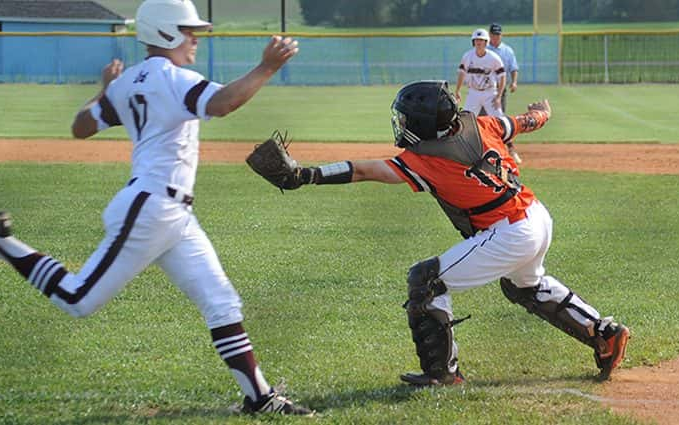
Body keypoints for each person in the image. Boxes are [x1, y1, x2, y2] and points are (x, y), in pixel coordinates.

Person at [0, 0, 312, 416]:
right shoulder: (174, 78)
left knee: (221, 302)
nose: (195, 39)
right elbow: (223, 104)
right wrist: (266, 67)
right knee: (77, 299)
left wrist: (106, 90)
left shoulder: (129, 81)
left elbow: (81, 128)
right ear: (166, 33)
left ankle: (259, 398)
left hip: (171, 214)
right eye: (188, 31)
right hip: (152, 208)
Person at [257, 80, 630, 386]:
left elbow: (363, 170)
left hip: (511, 231)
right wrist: (541, 114)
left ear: (422, 124)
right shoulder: (480, 124)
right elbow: (521, 122)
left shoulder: (427, 158)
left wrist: (307, 175)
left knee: (427, 280)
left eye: (406, 118)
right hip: (535, 215)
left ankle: (443, 375)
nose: (401, 123)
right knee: (523, 286)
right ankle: (604, 332)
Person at [455, 28, 506, 118]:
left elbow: (502, 76)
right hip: (473, 93)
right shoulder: (467, 56)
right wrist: (457, 90)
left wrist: (498, 96)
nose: (478, 42)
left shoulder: (494, 58)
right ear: (473, 42)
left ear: (486, 42)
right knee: (466, 119)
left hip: (490, 93)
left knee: (499, 120)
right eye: (476, 40)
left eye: (481, 40)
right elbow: (461, 73)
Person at [484, 23, 519, 115]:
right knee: (482, 118)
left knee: (499, 117)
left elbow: (513, 68)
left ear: (501, 35)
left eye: (498, 34)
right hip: (484, 88)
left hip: (500, 88)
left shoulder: (507, 50)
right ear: (489, 35)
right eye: (493, 34)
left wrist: (514, 82)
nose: (495, 37)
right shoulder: (483, 48)